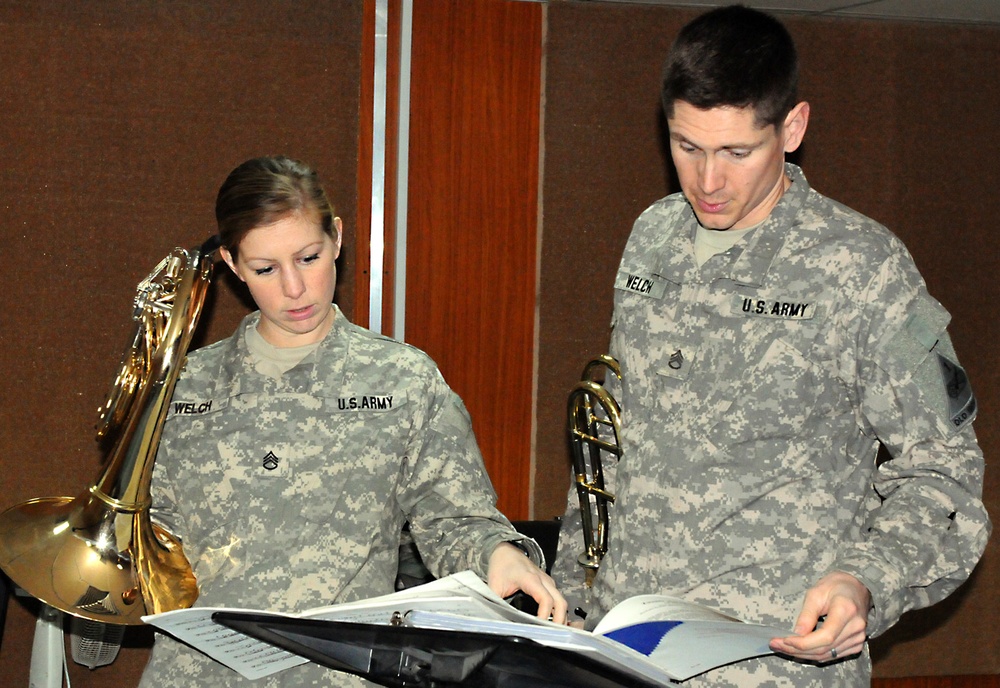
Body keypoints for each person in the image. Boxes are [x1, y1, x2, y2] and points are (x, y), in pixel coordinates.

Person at [551, 5, 990, 686]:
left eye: (736, 152)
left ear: (793, 128)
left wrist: (865, 582)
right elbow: (612, 439)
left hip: (772, 663)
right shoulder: (654, 238)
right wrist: (572, 604)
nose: (707, 181)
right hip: (626, 654)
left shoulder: (862, 268)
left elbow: (946, 473)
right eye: (686, 146)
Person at [139, 155, 566, 687]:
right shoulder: (179, 388)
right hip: (197, 676)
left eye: (309, 257)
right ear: (231, 263)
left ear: (337, 238)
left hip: (336, 676)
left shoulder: (400, 380)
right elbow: (144, 540)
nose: (294, 288)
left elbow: (454, 520)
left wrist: (499, 556)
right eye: (265, 269)